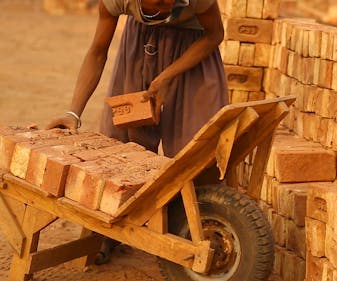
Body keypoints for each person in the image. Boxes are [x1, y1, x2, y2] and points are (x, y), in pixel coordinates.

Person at [47, 0, 228, 263]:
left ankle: (203, 230)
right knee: (119, 147)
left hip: (194, 51)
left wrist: (167, 76)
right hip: (140, 47)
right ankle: (108, 232)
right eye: (160, 1)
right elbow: (98, 53)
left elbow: (215, 34)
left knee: (197, 149)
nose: (170, 7)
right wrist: (73, 113)